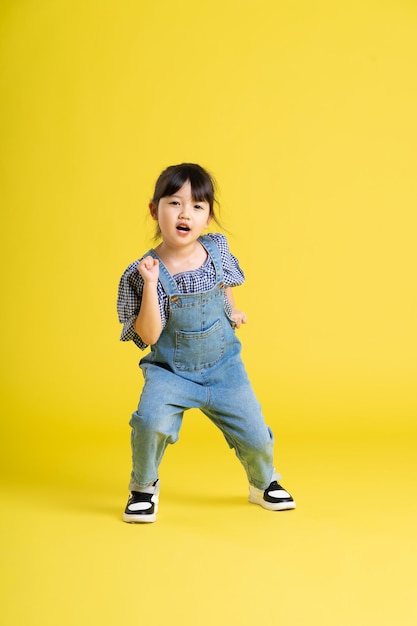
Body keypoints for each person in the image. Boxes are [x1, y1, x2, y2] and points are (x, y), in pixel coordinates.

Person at [117, 163, 295, 523]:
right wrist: (151, 285)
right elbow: (150, 335)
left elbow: (222, 286)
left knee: (256, 434)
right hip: (171, 372)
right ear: (155, 210)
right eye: (174, 203)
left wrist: (232, 311)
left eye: (197, 206)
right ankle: (143, 486)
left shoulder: (216, 251)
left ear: (208, 218)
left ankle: (263, 482)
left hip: (223, 367)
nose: (186, 213)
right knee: (150, 422)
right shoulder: (146, 270)